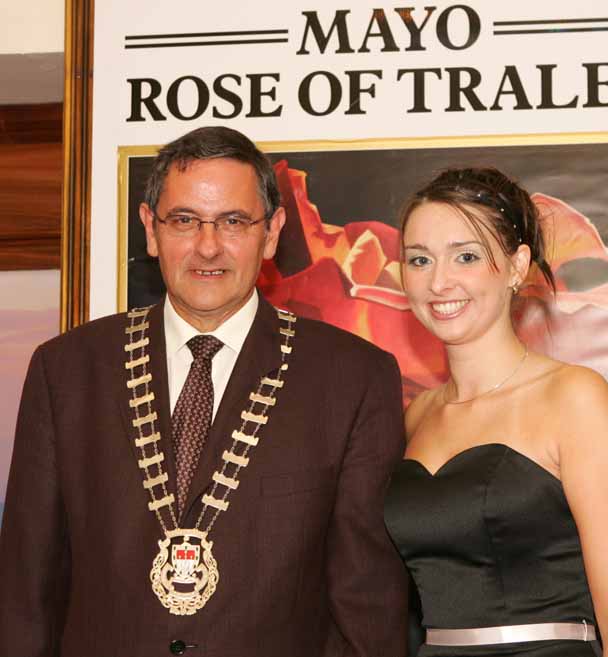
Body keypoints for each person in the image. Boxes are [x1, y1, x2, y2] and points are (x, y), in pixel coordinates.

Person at [0, 126, 408, 656]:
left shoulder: (351, 379)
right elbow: (26, 592)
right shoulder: (68, 372)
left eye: (234, 221)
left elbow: (367, 603)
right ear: (150, 229)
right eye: (185, 220)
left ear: (272, 232)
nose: (208, 246)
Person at [383, 167, 608, 657]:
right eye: (419, 260)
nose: (439, 281)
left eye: (465, 256)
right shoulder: (414, 416)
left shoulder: (574, 397)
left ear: (516, 266)